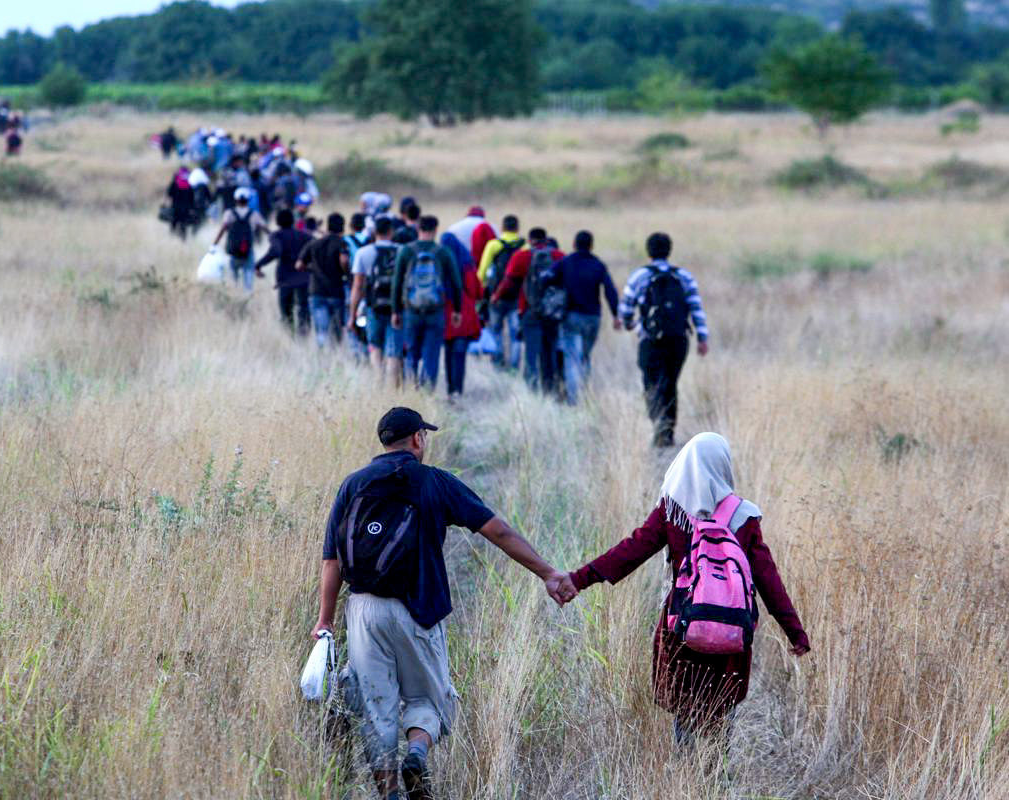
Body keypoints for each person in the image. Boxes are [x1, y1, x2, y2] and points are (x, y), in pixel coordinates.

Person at [311, 407, 570, 800]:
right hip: (420, 609)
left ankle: (390, 793)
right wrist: (548, 573)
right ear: (417, 439)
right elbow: (497, 530)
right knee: (429, 698)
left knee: (376, 709)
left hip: (363, 610)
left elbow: (331, 560)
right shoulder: (435, 482)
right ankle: (416, 752)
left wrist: (325, 620)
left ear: (383, 441)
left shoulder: (353, 485)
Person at [551, 433, 810, 745]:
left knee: (686, 708)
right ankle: (716, 776)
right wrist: (794, 632)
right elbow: (769, 579)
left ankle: (686, 774)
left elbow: (630, 551)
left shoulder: (671, 512)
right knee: (720, 710)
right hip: (730, 630)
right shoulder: (744, 517)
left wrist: (578, 580)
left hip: (683, 626)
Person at [619, 232, 708, 448]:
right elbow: (696, 309)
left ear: (648, 251)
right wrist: (702, 338)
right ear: (670, 250)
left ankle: (658, 427)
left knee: (652, 383)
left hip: (651, 340)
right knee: (671, 383)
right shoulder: (684, 276)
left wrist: (635, 326)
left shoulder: (639, 276)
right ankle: (668, 432)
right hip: (679, 340)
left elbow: (625, 311)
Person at [392, 216, 462, 391]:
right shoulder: (443, 252)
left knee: (411, 353)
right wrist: (457, 310)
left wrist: (396, 310)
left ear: (418, 228)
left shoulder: (406, 251)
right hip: (435, 311)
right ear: (435, 229)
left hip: (411, 310)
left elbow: (397, 282)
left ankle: (411, 391)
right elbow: (456, 283)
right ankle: (427, 393)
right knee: (431, 354)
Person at [551, 230, 621, 405]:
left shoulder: (565, 263)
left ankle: (574, 401)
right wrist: (616, 315)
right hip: (593, 318)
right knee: (585, 356)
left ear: (574, 244)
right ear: (591, 246)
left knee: (572, 358)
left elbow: (547, 279)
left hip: (571, 317)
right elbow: (610, 291)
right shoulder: (598, 265)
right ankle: (585, 394)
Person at [492, 227, 565, 394]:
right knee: (550, 353)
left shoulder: (522, 256)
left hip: (530, 312)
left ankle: (532, 391)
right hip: (552, 314)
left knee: (531, 354)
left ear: (530, 240)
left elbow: (508, 282)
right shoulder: (559, 256)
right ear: (546, 240)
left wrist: (496, 296)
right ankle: (550, 390)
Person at [350, 217, 404, 384]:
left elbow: (358, 287)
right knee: (394, 350)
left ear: (374, 233)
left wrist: (352, 315)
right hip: (398, 308)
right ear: (391, 232)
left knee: (375, 345)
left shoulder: (363, 253)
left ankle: (378, 381)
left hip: (373, 307)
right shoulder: (402, 251)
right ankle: (392, 387)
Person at [477, 215, 525, 371]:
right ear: (517, 228)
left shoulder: (493, 245)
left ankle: (498, 365)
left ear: (502, 228)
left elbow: (482, 272)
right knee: (515, 334)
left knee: (496, 330)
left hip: (496, 297)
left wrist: (482, 291)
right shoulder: (524, 246)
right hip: (518, 297)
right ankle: (514, 366)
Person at [256, 209, 313, 336]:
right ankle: (304, 336)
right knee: (303, 308)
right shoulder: (304, 235)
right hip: (304, 278)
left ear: (277, 222)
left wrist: (259, 264)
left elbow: (275, 251)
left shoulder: (276, 235)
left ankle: (289, 336)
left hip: (285, 279)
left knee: (286, 311)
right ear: (293, 220)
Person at [440, 232, 482, 401]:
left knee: (448, 353)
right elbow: (475, 290)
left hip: (445, 311)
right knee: (460, 353)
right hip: (464, 312)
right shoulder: (466, 263)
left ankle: (450, 389)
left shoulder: (441, 261)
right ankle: (458, 389)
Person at [297, 213, 350, 348]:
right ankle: (335, 354)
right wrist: (346, 273)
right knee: (337, 330)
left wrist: (312, 269)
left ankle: (322, 357)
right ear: (342, 227)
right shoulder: (342, 243)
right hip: (336, 291)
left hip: (317, 291)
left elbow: (299, 265)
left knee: (321, 330)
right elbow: (344, 261)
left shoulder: (314, 243)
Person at [213, 187, 269, 292]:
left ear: (236, 199)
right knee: (248, 282)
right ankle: (247, 299)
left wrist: (215, 244)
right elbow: (265, 228)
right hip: (248, 251)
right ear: (248, 200)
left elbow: (223, 228)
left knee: (233, 280)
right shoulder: (254, 214)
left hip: (232, 251)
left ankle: (235, 298)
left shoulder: (229, 213)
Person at [166, 167, 195, 239]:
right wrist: (191, 208)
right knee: (183, 225)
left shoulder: (175, 183)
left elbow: (169, 194)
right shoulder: (189, 184)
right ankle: (183, 239)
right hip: (186, 209)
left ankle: (171, 238)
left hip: (175, 207)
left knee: (173, 223)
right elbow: (192, 198)